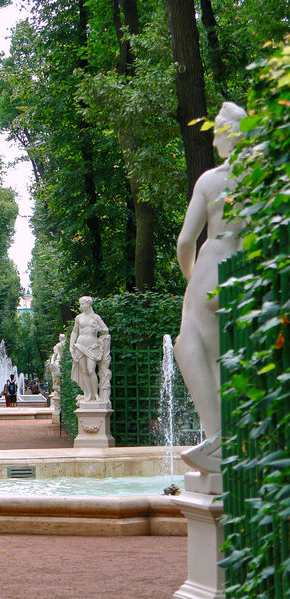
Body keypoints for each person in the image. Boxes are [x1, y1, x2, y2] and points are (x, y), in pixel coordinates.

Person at [174, 101, 247, 473]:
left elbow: (186, 242)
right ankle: (242, 439)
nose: (215, 137)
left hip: (212, 265)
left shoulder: (211, 180)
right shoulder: (262, 178)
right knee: (235, 359)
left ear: (227, 134)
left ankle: (218, 438)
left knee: (190, 347)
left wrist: (192, 282)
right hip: (248, 268)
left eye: (218, 130)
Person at [69, 296, 111, 404]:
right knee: (84, 371)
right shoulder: (78, 318)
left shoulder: (95, 317)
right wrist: (71, 346)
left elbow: (106, 330)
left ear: (89, 304)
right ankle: (88, 395)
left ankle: (96, 394)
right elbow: (74, 332)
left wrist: (99, 329)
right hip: (80, 345)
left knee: (91, 370)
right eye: (80, 304)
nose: (81, 306)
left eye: (83, 304)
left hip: (92, 346)